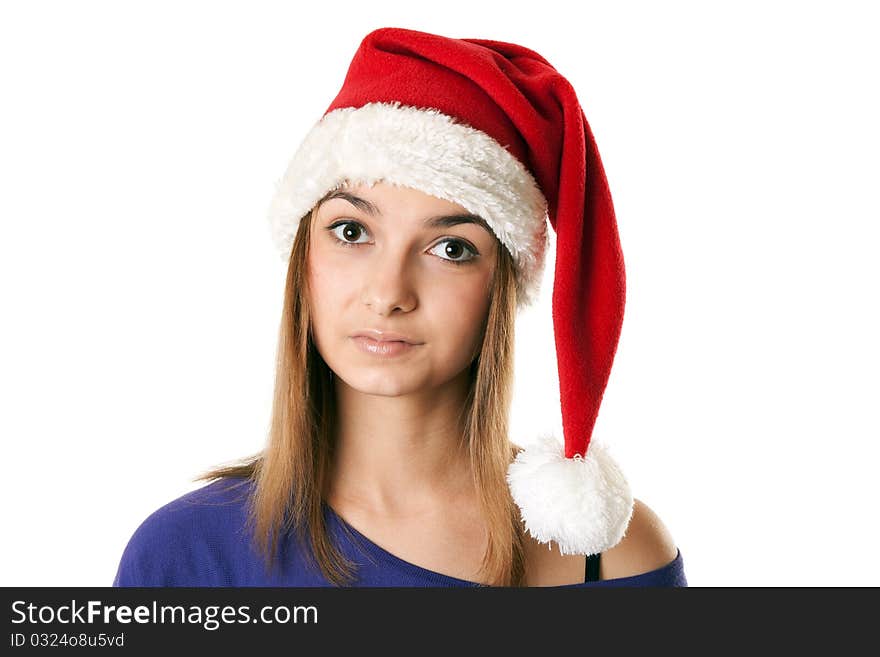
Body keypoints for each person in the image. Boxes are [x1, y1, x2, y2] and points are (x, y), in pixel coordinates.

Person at [113, 27, 687, 587]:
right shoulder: (185, 556)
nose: (389, 294)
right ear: (302, 257)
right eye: (351, 231)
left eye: (451, 248)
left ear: (503, 286)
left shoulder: (611, 556)